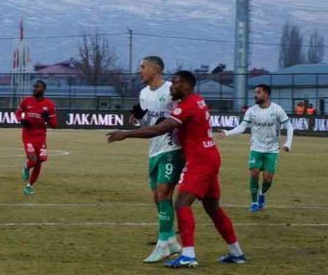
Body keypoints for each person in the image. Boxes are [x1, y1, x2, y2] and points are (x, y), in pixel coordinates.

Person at [108, 71, 245, 268]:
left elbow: (157, 130)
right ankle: (236, 252)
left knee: (181, 204)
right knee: (213, 208)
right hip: (210, 155)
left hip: (200, 161)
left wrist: (126, 134)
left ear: (187, 87)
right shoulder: (198, 100)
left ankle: (188, 255)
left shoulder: (187, 106)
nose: (172, 86)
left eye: (176, 84)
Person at [131, 56, 183, 263]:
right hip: (154, 150)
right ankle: (171, 239)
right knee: (157, 197)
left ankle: (162, 244)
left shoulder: (172, 89)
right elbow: (147, 122)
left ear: (155, 69)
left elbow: (184, 115)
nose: (139, 70)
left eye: (143, 67)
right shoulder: (143, 93)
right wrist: (138, 118)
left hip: (172, 148)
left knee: (163, 193)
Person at [217, 84, 293, 212]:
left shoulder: (277, 110)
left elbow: (289, 126)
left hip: (272, 150)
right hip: (256, 148)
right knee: (254, 173)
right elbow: (242, 127)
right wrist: (227, 132)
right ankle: (254, 202)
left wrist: (288, 143)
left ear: (266, 94)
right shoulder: (251, 110)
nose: (255, 95)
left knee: (267, 179)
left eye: (258, 92)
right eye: (255, 92)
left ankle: (262, 194)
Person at [15, 80, 57, 195]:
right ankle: (26, 167)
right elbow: (17, 113)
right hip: (28, 135)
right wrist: (22, 121)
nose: (34, 89)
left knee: (39, 163)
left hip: (41, 136)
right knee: (33, 160)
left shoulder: (49, 105)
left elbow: (55, 125)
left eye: (37, 87)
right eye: (34, 87)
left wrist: (47, 119)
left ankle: (29, 186)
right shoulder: (26, 101)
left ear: (43, 89)